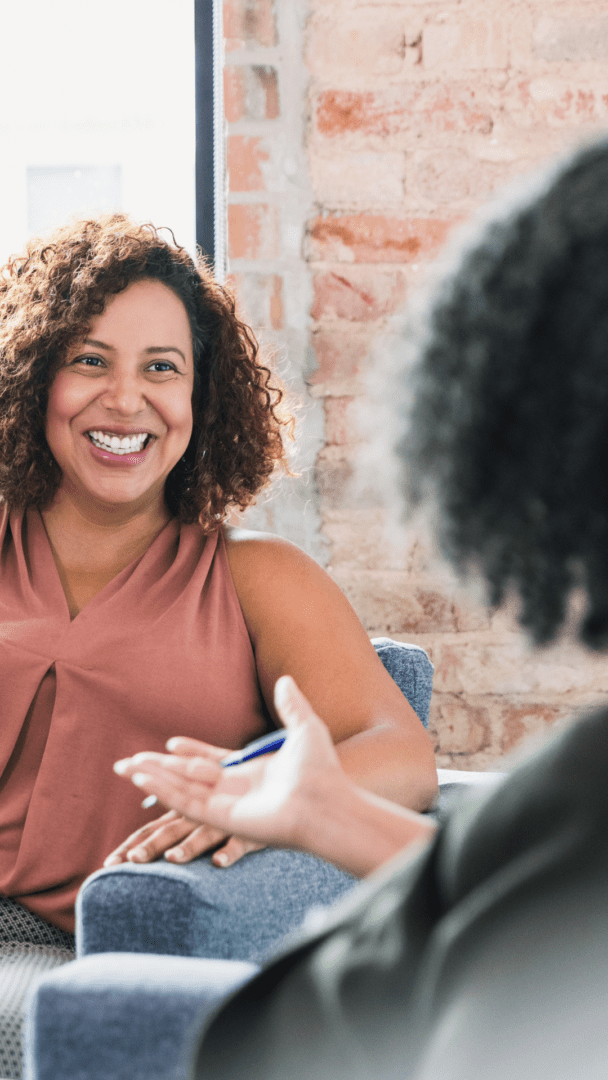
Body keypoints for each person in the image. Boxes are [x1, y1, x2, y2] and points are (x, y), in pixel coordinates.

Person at [108, 136, 608, 1080]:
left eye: (163, 367)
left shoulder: (574, 802)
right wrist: (325, 814)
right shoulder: (567, 803)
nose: (128, 396)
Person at [0, 213, 437, 946]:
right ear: (37, 379)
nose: (126, 399)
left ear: (203, 403)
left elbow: (401, 751)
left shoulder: (261, 578)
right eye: (91, 361)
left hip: (131, 937)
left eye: (161, 368)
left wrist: (267, 793)